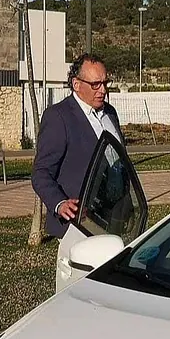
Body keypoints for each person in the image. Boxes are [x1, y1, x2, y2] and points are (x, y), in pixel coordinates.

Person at [32, 53, 125, 239]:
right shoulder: (58, 117)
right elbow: (41, 172)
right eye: (95, 84)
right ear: (76, 84)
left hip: (113, 221)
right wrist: (59, 203)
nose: (103, 90)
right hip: (77, 225)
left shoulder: (110, 113)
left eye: (105, 83)